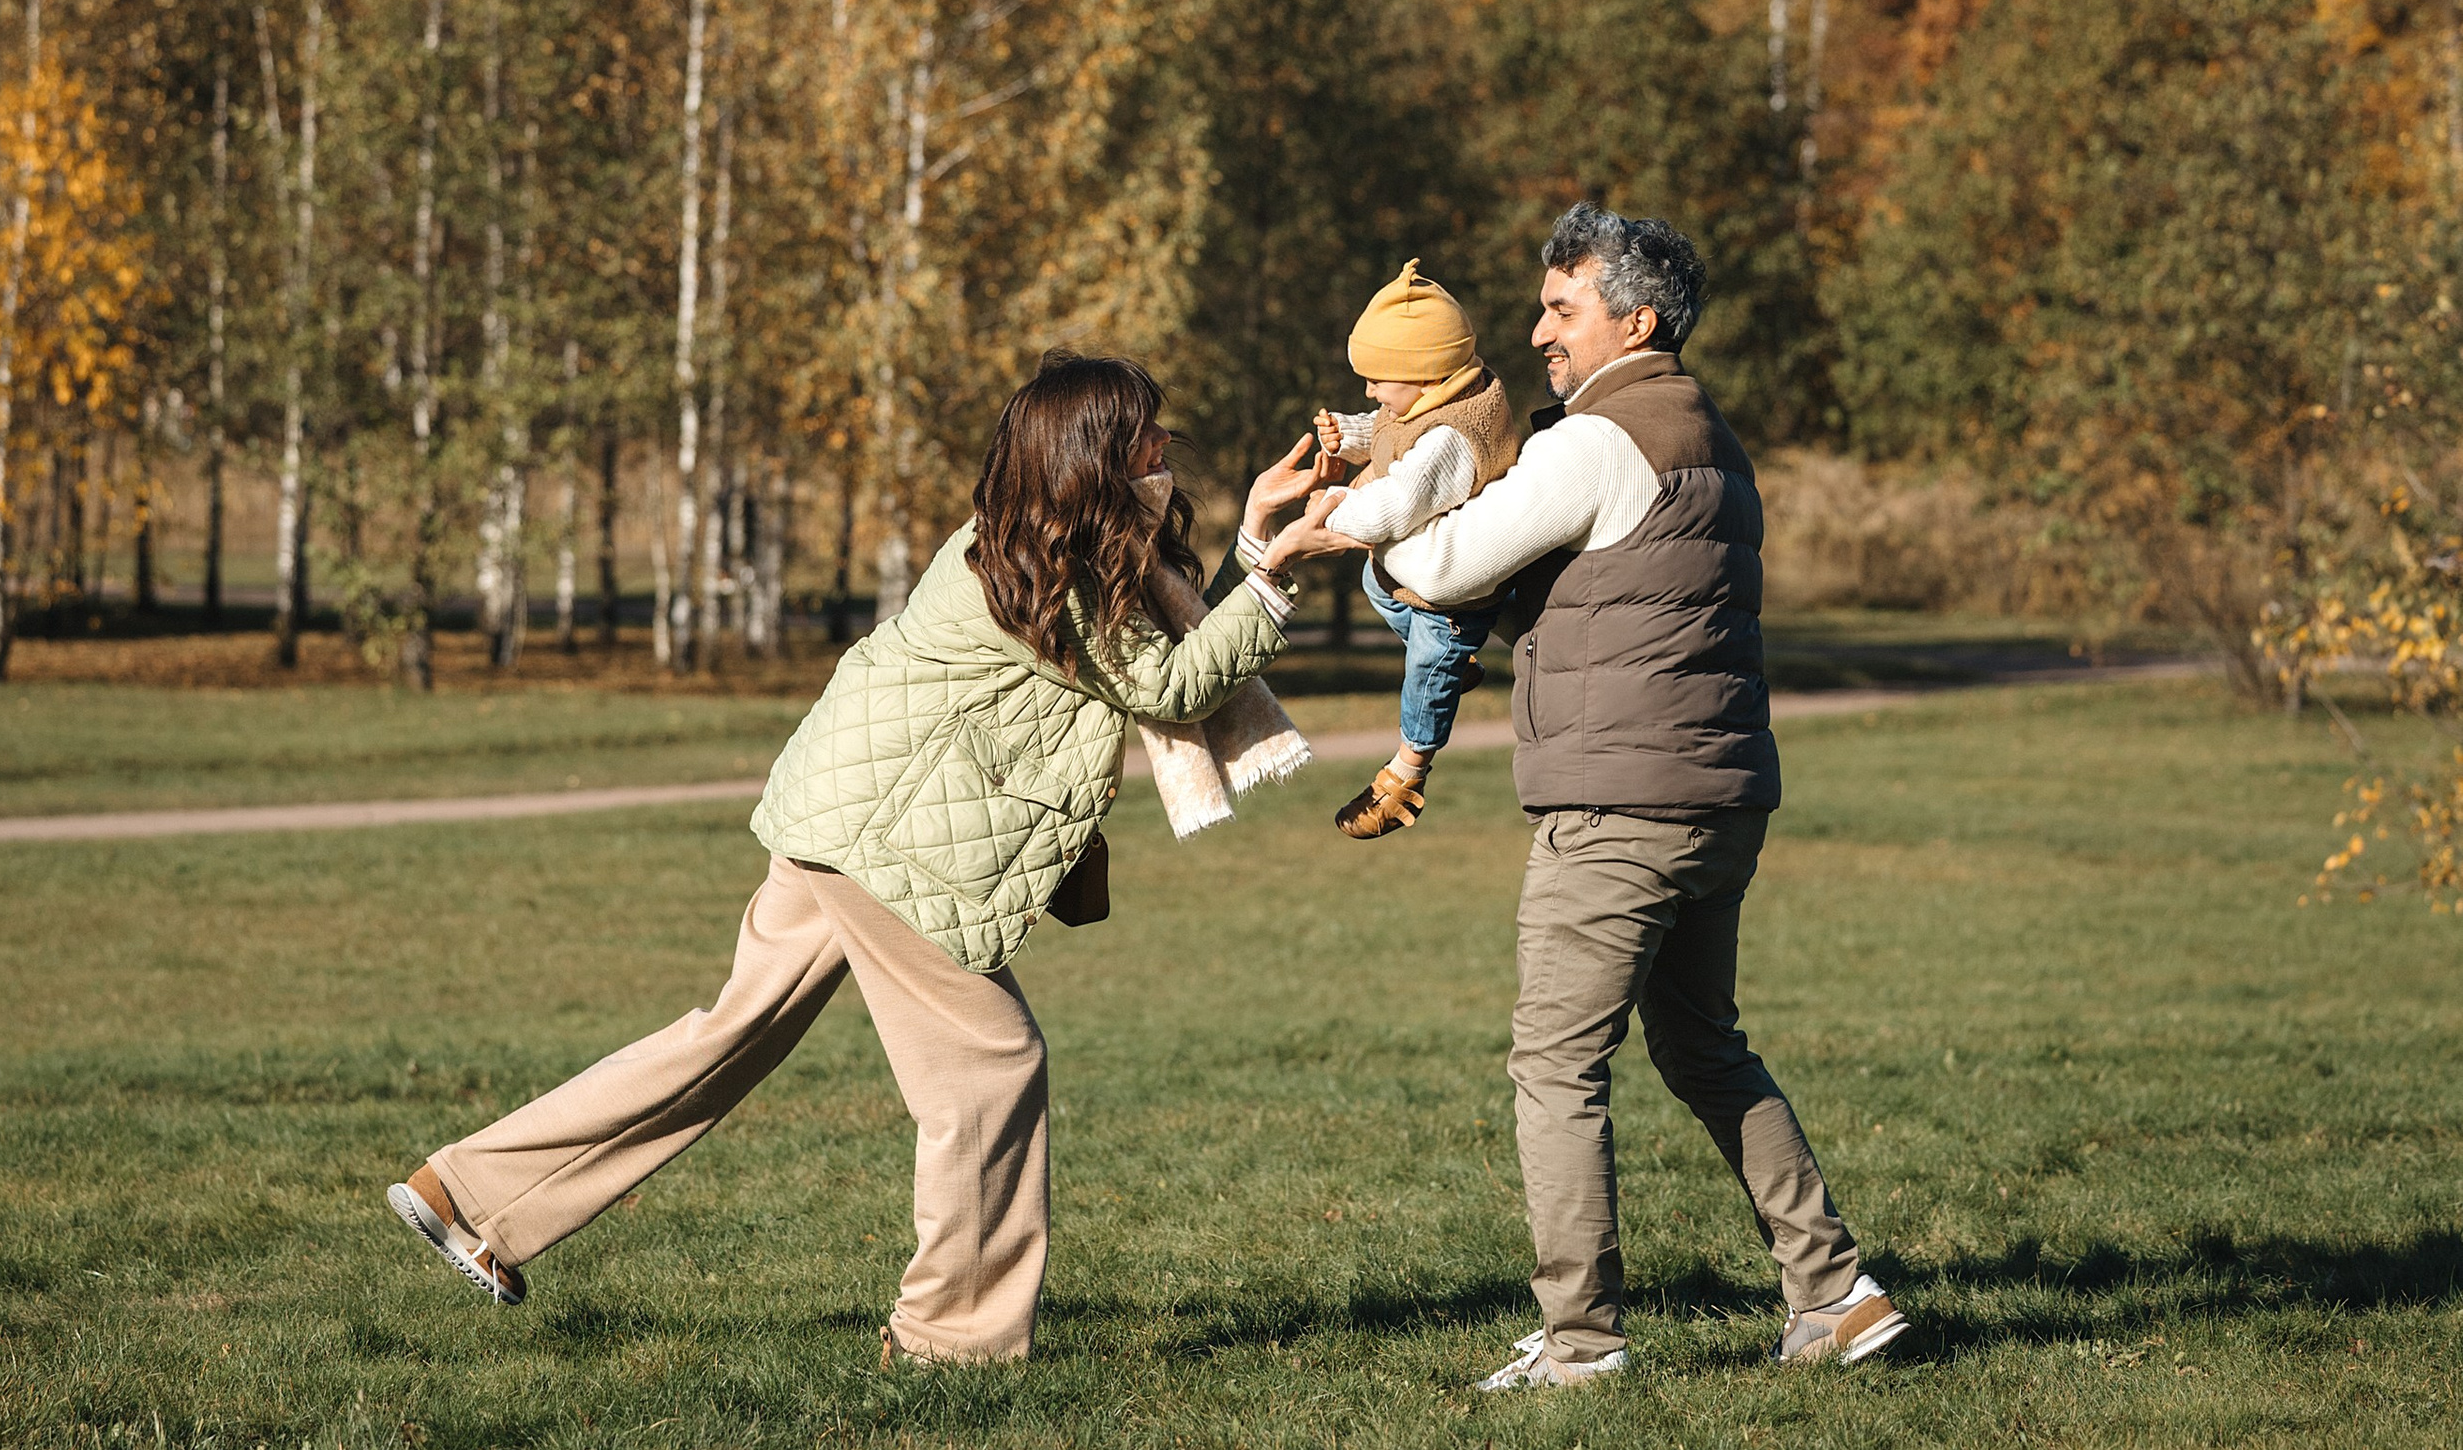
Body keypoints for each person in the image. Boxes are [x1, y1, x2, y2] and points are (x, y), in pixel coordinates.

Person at [385, 357, 1337, 1365]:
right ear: (1092, 455)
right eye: (1143, 430)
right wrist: (1274, 572)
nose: (1161, 444)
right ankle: (951, 1341)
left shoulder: (1025, 551)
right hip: (891, 845)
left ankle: (472, 1196)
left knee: (724, 1039)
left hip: (839, 816)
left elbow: (1161, 639)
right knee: (990, 1068)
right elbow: (1172, 685)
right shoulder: (1037, 582)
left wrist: (1252, 534)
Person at [1296, 204, 1905, 1387]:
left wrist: (1360, 524)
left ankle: (1580, 1344)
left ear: (1636, 320)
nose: (1536, 333)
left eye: (1561, 308)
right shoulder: (1710, 437)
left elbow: (1439, 565)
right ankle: (1834, 1295)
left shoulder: (1596, 441)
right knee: (1702, 1045)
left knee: (1555, 1065)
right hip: (1718, 799)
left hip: (1618, 808)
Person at [1307, 257, 1521, 841]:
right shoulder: (1430, 402)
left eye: (1379, 380)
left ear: (1425, 378)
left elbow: (1396, 505)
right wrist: (1350, 436)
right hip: (1414, 576)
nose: (1370, 391)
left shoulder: (1453, 438)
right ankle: (1459, 668)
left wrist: (1334, 508)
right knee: (1374, 583)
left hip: (1454, 594)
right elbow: (1390, 434)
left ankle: (1408, 770)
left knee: (1426, 665)